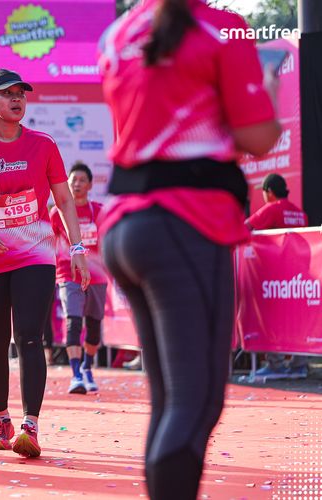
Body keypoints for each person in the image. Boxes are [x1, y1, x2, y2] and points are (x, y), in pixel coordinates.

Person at [98, 0, 280, 498]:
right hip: (186, 225)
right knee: (195, 403)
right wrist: (269, 88)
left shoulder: (118, 33)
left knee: (172, 402)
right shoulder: (224, 29)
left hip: (126, 226)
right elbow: (257, 136)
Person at [0, 69, 90, 458]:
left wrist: (77, 249)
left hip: (35, 256)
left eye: (20, 94)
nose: (16, 99)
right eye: (7, 94)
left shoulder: (43, 144)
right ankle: (2, 419)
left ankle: (30, 426)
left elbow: (64, 200)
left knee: (29, 336)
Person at [49, 162, 106, 394]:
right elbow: (49, 244)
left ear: (90, 185)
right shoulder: (57, 213)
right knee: (73, 322)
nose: (77, 184)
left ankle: (87, 367)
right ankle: (75, 375)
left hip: (97, 276)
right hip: (68, 275)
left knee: (94, 328)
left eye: (82, 180)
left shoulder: (100, 212)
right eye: (73, 180)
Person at [246, 173, 309, 379]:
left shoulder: (272, 209)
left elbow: (245, 227)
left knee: (272, 319)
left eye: (264, 193)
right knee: (298, 321)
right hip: (299, 278)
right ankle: (299, 365)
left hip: (276, 278)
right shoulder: (300, 213)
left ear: (270, 192)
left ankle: (276, 364)